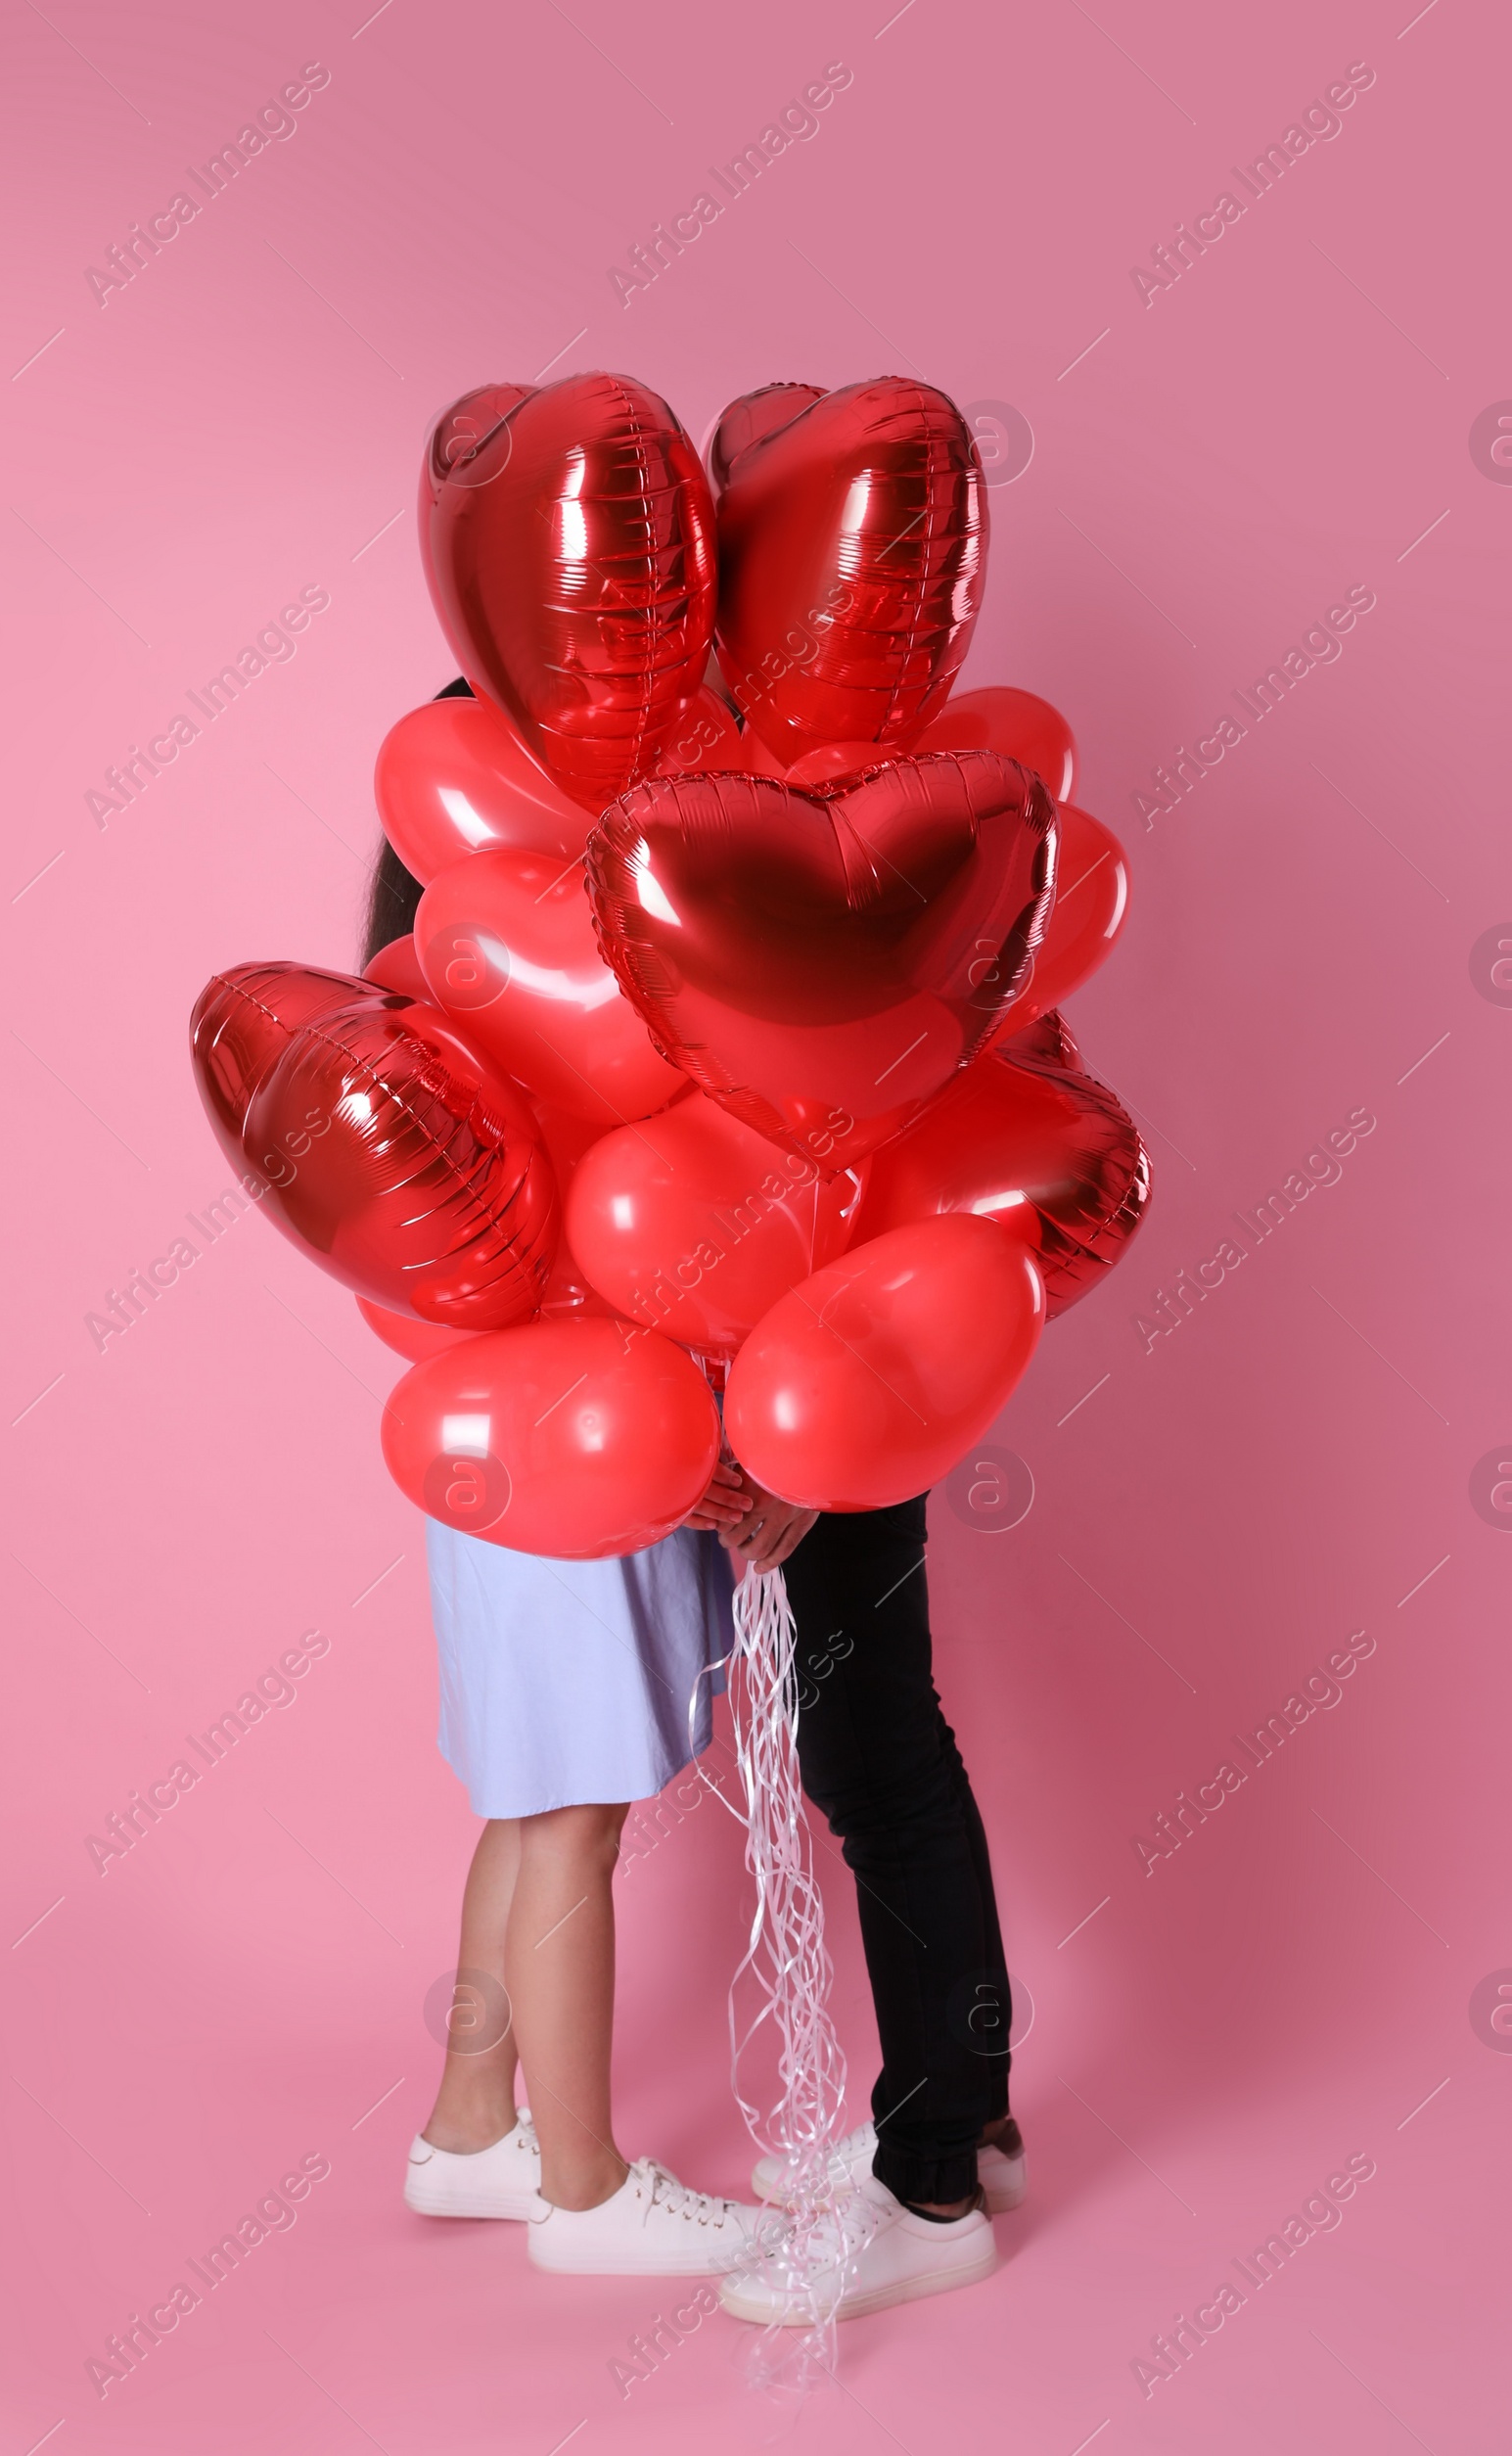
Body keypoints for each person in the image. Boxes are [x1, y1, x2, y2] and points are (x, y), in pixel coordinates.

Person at [363, 812, 759, 2279]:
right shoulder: (489, 1019)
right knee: (575, 1811)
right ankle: (585, 2191)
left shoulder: (413, 1022)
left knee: (532, 1799)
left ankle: (469, 2129)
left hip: (509, 1434)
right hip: (567, 1430)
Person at [712, 1483, 1027, 2324]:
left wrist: (811, 1469)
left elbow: (891, 1343)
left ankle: (932, 2191)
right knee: (904, 1748)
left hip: (837, 1424)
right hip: (840, 1424)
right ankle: (969, 2120)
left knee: (881, 1778)